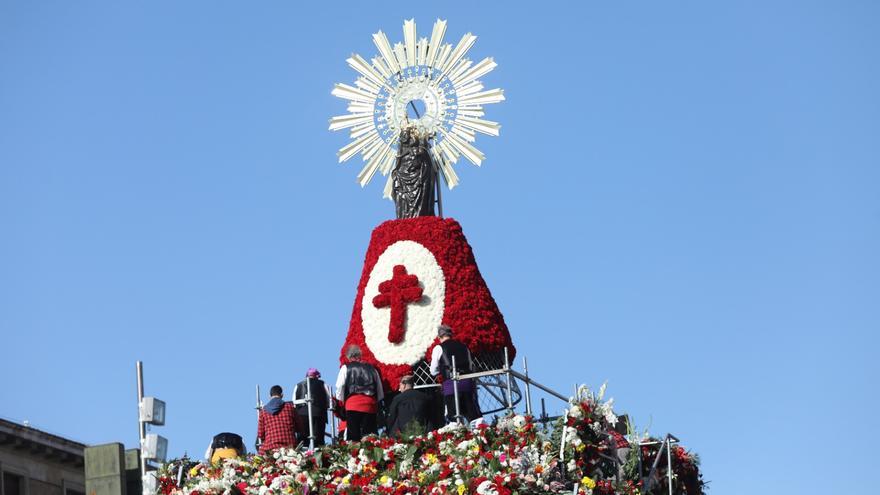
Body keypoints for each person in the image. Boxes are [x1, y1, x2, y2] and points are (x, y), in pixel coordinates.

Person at [430, 325, 480, 423]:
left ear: (439, 337)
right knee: (473, 416)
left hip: (451, 385)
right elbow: (470, 366)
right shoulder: (464, 346)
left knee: (453, 417)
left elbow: (433, 371)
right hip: (467, 384)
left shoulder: (438, 348)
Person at [334, 345, 384, 441]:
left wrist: (342, 400)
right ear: (360, 355)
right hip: (370, 405)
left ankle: (355, 453)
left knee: (353, 437)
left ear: (348, 357)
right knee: (369, 436)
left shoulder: (346, 368)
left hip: (353, 404)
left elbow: (339, 386)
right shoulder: (372, 369)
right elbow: (379, 390)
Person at [392, 126, 436, 219]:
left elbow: (423, 166)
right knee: (402, 199)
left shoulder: (421, 151)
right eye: (402, 136)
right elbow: (398, 167)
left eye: (406, 136)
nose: (404, 138)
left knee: (420, 205)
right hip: (403, 182)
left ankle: (418, 216)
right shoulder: (401, 152)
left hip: (419, 182)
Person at [293, 368, 330, 447]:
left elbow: (294, 402)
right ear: (317, 376)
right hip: (318, 414)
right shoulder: (322, 384)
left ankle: (302, 457)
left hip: (302, 415)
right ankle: (318, 457)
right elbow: (328, 400)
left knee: (302, 442)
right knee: (318, 441)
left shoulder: (298, 385)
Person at [256, 385, 297, 454]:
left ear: (270, 396)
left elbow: (260, 434)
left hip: (270, 447)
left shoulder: (263, 411)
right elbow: (299, 427)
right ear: (282, 395)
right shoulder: (290, 407)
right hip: (290, 446)